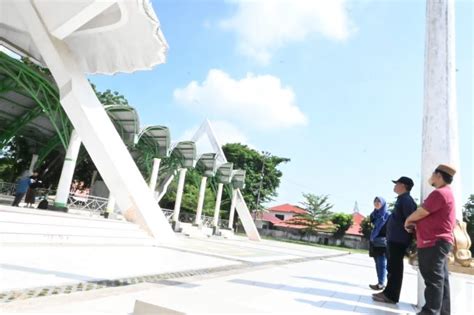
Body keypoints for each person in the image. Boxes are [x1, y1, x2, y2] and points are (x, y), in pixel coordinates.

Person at [405, 164, 457, 315]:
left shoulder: (440, 193)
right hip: (439, 242)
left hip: (433, 241)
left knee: (433, 280)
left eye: (433, 173)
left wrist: (407, 221)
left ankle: (429, 312)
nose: (431, 176)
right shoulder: (447, 193)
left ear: (439, 176)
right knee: (441, 280)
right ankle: (442, 312)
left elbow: (422, 212)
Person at [373, 176, 417, 304]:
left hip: (399, 240)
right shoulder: (402, 199)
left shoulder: (406, 200)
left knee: (395, 268)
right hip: (395, 239)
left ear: (402, 185)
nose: (394, 186)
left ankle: (392, 296)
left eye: (396, 183)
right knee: (392, 267)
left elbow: (410, 219)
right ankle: (388, 292)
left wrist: (407, 233)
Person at [368, 196, 390, 291]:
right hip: (375, 241)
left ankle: (381, 283)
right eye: (375, 201)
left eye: (379, 201)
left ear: (383, 203)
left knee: (382, 263)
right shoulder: (374, 214)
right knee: (377, 263)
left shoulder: (387, 215)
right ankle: (379, 282)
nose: (376, 203)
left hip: (383, 242)